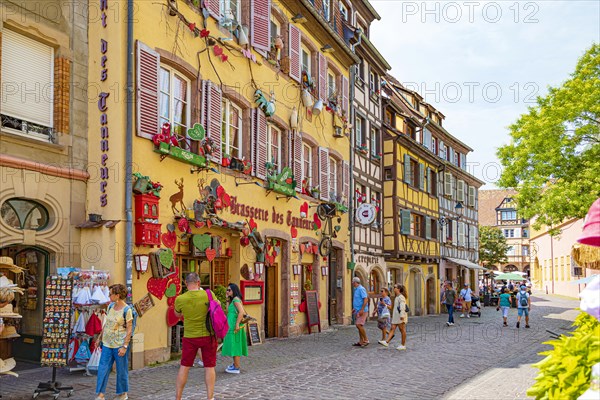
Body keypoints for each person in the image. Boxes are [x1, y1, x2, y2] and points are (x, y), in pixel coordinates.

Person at [174, 273, 218, 400]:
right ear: (198, 282)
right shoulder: (209, 295)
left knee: (185, 366)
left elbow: (177, 314)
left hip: (189, 336)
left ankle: (178, 397)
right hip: (208, 335)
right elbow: (218, 307)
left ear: (186, 284)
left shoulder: (180, 299)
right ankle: (210, 397)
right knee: (209, 367)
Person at [95, 284, 132, 400]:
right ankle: (100, 395)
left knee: (121, 370)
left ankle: (122, 393)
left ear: (118, 295)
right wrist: (99, 338)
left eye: (110, 294)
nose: (108, 295)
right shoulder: (110, 306)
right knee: (102, 369)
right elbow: (107, 324)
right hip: (106, 344)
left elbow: (129, 330)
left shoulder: (127, 310)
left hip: (119, 345)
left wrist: (125, 346)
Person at [221, 283, 248, 374]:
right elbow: (228, 311)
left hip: (234, 326)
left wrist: (236, 324)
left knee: (235, 345)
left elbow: (241, 312)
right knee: (234, 345)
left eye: (229, 290)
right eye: (227, 290)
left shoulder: (236, 299)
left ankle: (236, 367)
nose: (227, 291)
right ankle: (235, 364)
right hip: (231, 325)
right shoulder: (233, 300)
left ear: (234, 290)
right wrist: (227, 299)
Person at [378, 284, 408, 350]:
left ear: (398, 289)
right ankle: (386, 342)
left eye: (395, 287)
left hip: (400, 316)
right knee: (392, 328)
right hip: (396, 316)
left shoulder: (401, 297)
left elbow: (403, 306)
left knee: (402, 330)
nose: (393, 288)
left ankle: (403, 345)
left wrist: (402, 315)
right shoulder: (397, 297)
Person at [351, 277, 369, 347]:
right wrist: (354, 308)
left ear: (355, 282)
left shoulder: (361, 289)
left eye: (353, 282)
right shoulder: (356, 289)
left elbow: (365, 299)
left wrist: (362, 309)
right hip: (358, 310)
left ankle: (366, 339)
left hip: (362, 311)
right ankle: (361, 341)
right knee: (359, 326)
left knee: (359, 325)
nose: (352, 283)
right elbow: (358, 300)